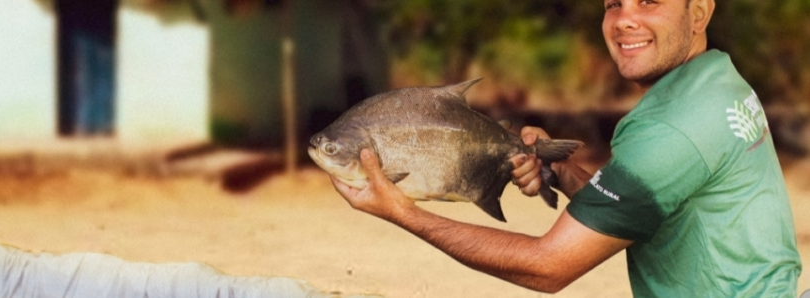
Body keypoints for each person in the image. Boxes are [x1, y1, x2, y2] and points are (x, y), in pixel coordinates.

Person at [330, 0, 802, 296]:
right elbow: (646, 204)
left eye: (649, 1)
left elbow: (547, 268)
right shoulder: (719, 81)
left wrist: (401, 211)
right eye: (613, 4)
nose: (624, 20)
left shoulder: (672, 132)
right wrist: (562, 173)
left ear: (700, 11)